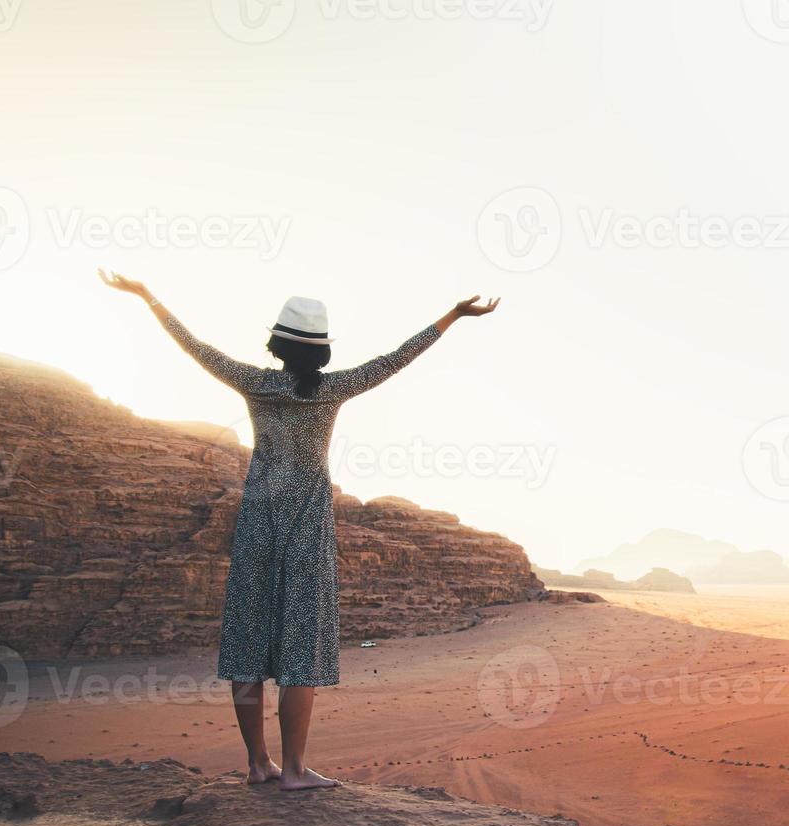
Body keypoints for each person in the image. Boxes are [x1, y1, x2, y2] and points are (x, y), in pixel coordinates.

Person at [99, 270, 499, 789]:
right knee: (300, 647)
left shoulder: (256, 383)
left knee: (246, 641)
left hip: (257, 523)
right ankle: (293, 769)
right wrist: (454, 316)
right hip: (308, 525)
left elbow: (193, 346)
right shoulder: (334, 389)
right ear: (322, 351)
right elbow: (397, 358)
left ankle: (257, 765)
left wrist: (147, 295)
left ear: (278, 343)